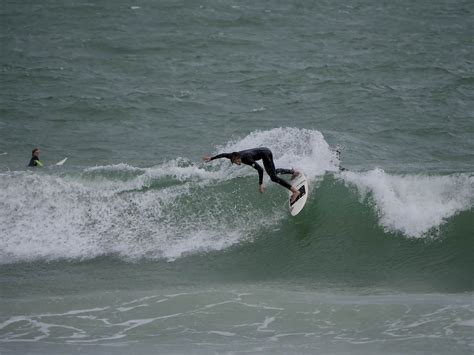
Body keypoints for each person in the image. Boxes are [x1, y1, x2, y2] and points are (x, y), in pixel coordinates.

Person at [203, 147, 301, 203]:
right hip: (263, 151)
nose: (237, 163)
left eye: (237, 161)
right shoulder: (232, 155)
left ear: (238, 158)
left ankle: (295, 192)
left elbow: (260, 170)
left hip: (266, 153)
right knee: (272, 172)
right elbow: (223, 154)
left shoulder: (246, 159)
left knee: (273, 178)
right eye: (234, 162)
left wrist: (260, 184)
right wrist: (211, 158)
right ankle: (293, 172)